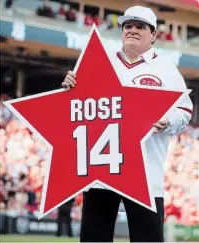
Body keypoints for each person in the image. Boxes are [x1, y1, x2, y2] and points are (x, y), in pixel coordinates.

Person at [61, 6, 193, 242]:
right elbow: (78, 109)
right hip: (101, 167)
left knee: (148, 237)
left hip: (145, 169)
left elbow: (184, 109)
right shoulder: (99, 62)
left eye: (140, 26)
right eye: (128, 26)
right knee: (94, 237)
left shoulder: (166, 69)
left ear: (153, 35)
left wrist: (168, 121)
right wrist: (70, 90)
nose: (132, 30)